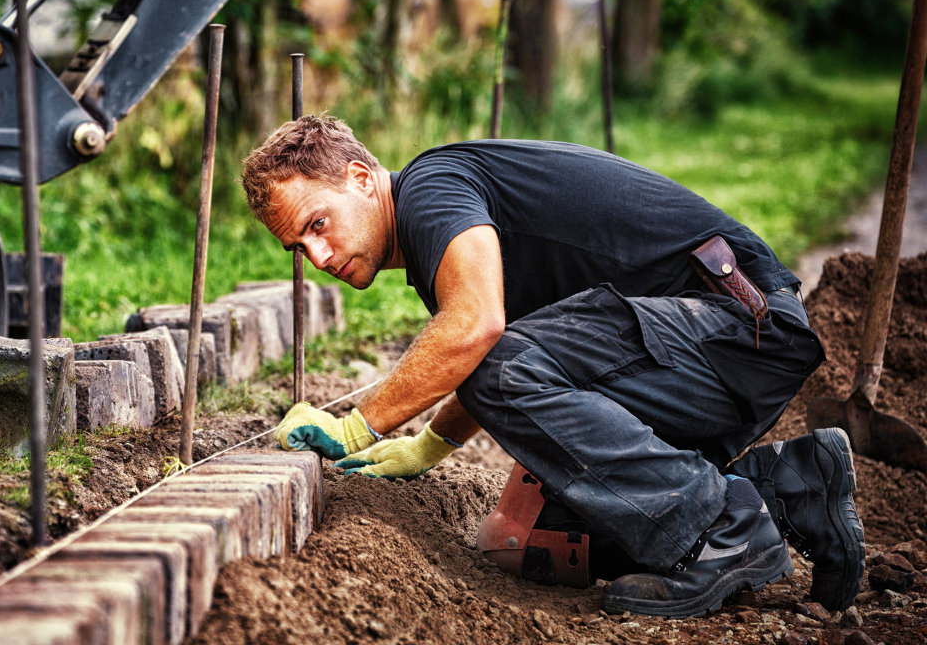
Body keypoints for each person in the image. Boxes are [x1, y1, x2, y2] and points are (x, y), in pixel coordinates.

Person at [241, 114, 864, 619]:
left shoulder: (430, 190)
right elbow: (495, 338)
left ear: (360, 177)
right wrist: (430, 444)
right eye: (300, 247)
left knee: (500, 375)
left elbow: (479, 332)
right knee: (545, 538)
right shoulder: (440, 220)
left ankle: (719, 531)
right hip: (719, 343)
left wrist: (361, 423)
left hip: (731, 325)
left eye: (317, 224)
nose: (318, 255)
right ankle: (791, 488)